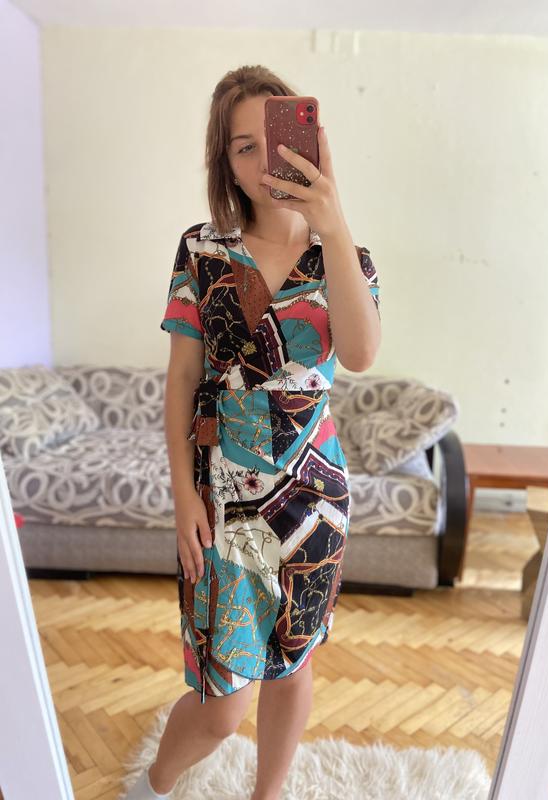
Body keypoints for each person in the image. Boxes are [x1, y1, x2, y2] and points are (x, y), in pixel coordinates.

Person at [123, 64, 381, 800]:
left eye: (275, 138)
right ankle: (154, 785)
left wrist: (333, 222)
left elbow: (360, 354)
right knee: (221, 705)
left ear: (308, 141)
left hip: (314, 500)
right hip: (222, 501)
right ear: (226, 164)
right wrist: (182, 496)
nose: (264, 160)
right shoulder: (203, 252)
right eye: (243, 147)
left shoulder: (345, 258)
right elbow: (181, 380)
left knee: (293, 665)